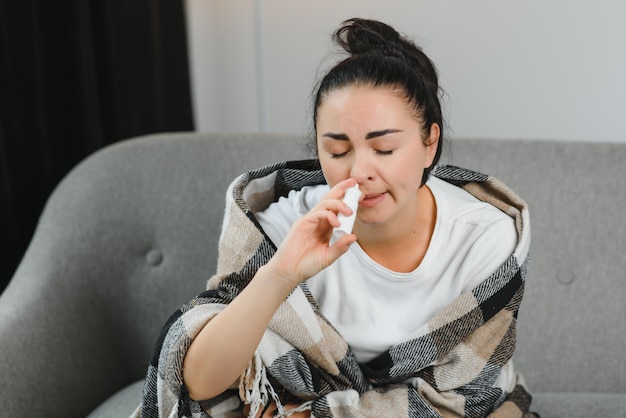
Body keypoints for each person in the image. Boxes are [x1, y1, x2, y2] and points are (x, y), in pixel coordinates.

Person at [138, 18, 537, 418]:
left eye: (384, 149)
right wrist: (281, 274)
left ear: (429, 144)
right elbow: (200, 384)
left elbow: (464, 393)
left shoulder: (485, 236)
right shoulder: (286, 224)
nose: (360, 171)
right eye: (338, 151)